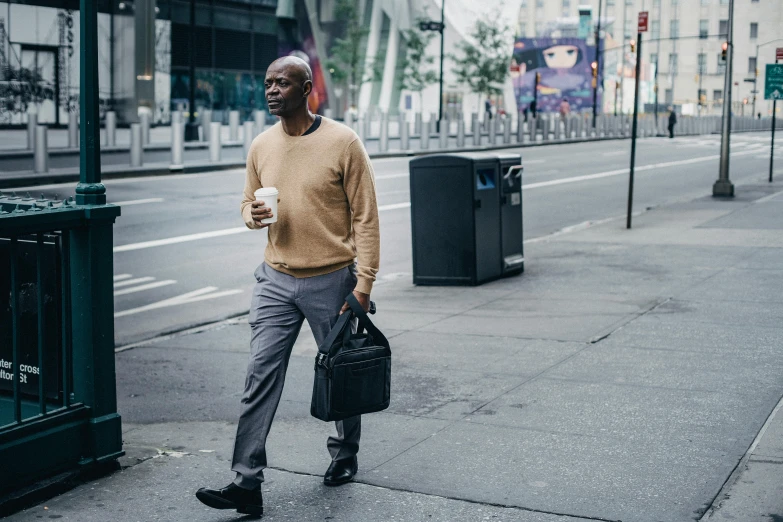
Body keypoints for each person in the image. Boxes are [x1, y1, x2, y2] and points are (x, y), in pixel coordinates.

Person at [195, 56, 380, 517]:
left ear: (307, 87)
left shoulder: (343, 142)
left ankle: (344, 454)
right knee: (260, 375)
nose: (272, 89)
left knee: (341, 373)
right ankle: (246, 481)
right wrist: (249, 216)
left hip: (332, 278)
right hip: (275, 279)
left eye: (282, 82)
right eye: (267, 83)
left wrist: (363, 285)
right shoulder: (261, 145)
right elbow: (246, 202)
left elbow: (366, 218)